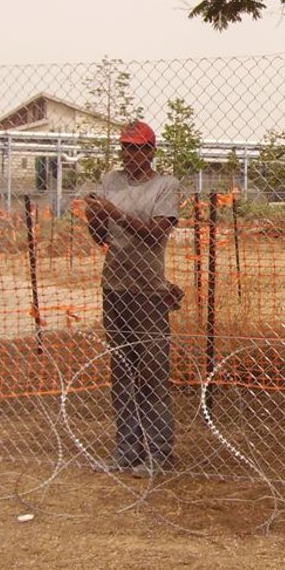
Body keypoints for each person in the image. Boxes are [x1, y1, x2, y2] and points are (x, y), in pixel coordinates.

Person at [85, 120, 183, 476]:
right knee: (122, 371)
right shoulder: (111, 181)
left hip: (148, 291)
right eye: (126, 147)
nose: (130, 154)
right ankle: (127, 450)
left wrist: (115, 214)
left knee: (152, 372)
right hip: (115, 287)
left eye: (138, 148)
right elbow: (101, 238)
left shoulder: (165, 186)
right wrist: (93, 219)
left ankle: (159, 452)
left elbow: (156, 234)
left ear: (152, 151)